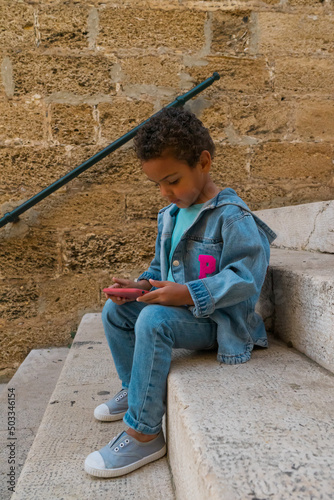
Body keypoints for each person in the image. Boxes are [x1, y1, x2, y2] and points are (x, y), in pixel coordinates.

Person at [84, 107, 277, 478]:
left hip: (219, 322)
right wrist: (140, 286)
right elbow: (162, 270)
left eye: (172, 180)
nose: (165, 193)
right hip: (185, 310)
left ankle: (143, 433)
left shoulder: (233, 217)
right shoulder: (171, 215)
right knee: (117, 312)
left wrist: (187, 294)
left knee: (155, 320)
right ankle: (133, 387)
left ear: (203, 162)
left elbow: (245, 277)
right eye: (157, 184)